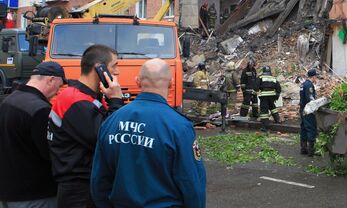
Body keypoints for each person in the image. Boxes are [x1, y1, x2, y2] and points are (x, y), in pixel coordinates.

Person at [90, 59, 206, 208]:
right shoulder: (179, 127)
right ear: (171, 83)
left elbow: (99, 181)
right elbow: (192, 184)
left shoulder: (112, 121)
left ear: (137, 82)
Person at [48, 44, 124, 208]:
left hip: (85, 185)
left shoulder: (89, 97)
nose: (117, 72)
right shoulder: (76, 101)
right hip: (78, 190)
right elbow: (108, 138)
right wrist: (116, 101)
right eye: (114, 66)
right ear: (99, 68)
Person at [0, 62, 67, 208]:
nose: (58, 92)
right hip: (34, 195)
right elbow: (51, 153)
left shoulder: (9, 100)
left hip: (8, 191)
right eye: (59, 86)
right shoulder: (40, 110)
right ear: (51, 80)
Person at [299, 69, 318, 156]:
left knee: (303, 127)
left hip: (302, 109)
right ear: (313, 77)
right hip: (308, 110)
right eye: (316, 77)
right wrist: (317, 104)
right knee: (311, 128)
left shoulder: (303, 84)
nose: (316, 79)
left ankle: (303, 148)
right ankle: (311, 150)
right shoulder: (309, 85)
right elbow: (310, 98)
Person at [257, 66, 281, 132]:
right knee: (272, 107)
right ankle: (277, 120)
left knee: (264, 111)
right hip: (272, 96)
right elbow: (278, 88)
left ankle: (265, 126)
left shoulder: (261, 77)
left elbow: (256, 86)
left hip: (264, 96)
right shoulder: (273, 78)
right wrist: (277, 96)